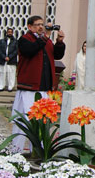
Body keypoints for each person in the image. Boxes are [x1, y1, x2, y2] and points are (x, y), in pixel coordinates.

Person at [12, 16, 65, 151]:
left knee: (42, 121)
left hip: (44, 87)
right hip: (29, 88)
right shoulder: (25, 39)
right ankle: (15, 150)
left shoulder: (45, 41)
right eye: (37, 25)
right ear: (29, 27)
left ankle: (38, 151)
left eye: (42, 24)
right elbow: (30, 51)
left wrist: (59, 42)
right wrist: (46, 36)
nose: (41, 27)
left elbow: (57, 55)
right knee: (25, 120)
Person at [0, 27, 18, 92]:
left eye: (11, 32)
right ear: (6, 33)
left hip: (11, 60)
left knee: (11, 74)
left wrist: (9, 57)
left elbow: (16, 51)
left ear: (12, 33)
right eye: (8, 32)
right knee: (2, 73)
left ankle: (10, 87)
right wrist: (4, 57)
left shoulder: (15, 41)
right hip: (3, 60)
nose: (9, 33)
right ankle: (1, 86)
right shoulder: (2, 41)